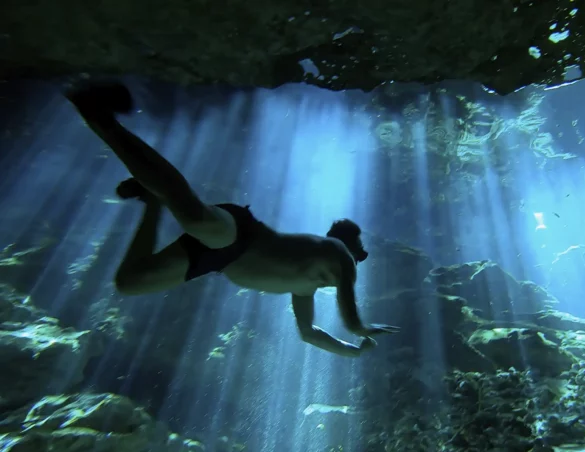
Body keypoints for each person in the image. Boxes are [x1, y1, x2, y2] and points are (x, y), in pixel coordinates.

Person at [66, 82, 399, 358]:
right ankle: (105, 122)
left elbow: (309, 333)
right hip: (241, 233)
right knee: (194, 217)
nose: (353, 267)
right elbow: (348, 306)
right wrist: (359, 328)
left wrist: (353, 351)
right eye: (358, 255)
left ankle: (152, 201)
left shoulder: (304, 289)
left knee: (130, 282)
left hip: (218, 259)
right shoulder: (337, 250)